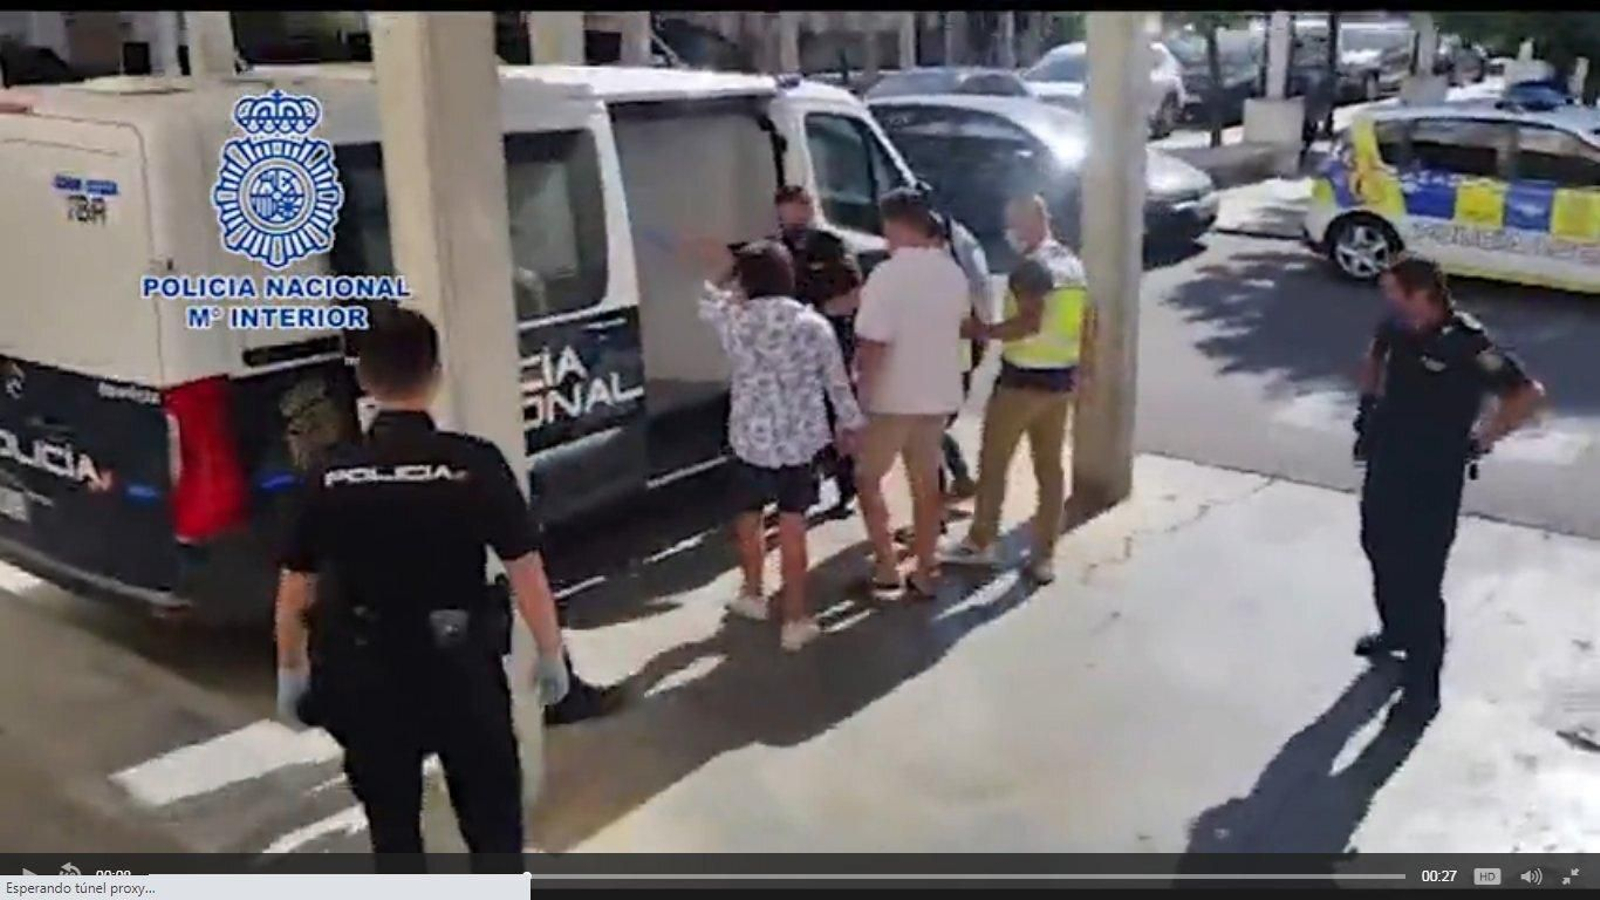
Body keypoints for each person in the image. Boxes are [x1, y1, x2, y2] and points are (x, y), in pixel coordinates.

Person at [273, 308, 570, 862]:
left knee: (393, 835)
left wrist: (292, 669)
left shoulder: (328, 472)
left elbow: (296, 587)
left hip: (366, 674)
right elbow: (525, 568)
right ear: (436, 375)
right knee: (495, 830)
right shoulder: (474, 463)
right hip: (460, 670)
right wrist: (552, 652)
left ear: (363, 380)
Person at [1353, 255, 1545, 719]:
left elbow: (1527, 394)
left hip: (1434, 474)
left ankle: (1423, 685)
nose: (1388, 300)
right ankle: (1394, 630)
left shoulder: (1469, 344)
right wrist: (1367, 403)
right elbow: (1374, 357)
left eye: (1394, 292)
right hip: (1387, 458)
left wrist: (1481, 441)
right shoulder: (1397, 326)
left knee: (1420, 575)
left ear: (1422, 294)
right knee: (1377, 543)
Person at [693, 238, 865, 651]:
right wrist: (852, 425)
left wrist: (730, 282)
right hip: (800, 442)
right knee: (793, 528)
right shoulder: (812, 325)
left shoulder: (734, 320)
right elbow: (837, 384)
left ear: (746, 280)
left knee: (748, 519)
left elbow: (706, 299)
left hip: (749, 438)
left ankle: (752, 593)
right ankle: (795, 618)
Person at [940, 196, 1093, 584]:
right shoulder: (1072, 265)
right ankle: (1044, 557)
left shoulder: (1031, 269)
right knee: (1050, 470)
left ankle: (982, 542)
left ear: (1032, 221)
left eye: (1013, 224)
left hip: (1022, 383)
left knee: (994, 464)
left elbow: (1028, 323)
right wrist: (1084, 373)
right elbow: (1090, 323)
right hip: (1060, 383)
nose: (1008, 233)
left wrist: (981, 331)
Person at [853, 189, 973, 598]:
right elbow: (959, 325)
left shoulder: (887, 275)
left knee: (867, 479)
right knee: (927, 485)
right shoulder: (952, 272)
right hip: (937, 394)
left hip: (892, 398)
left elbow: (873, 343)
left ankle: (886, 565)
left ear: (895, 225)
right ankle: (925, 568)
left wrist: (860, 399)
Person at [773, 185, 865, 517]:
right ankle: (807, 489)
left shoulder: (830, 245)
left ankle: (847, 488)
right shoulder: (779, 248)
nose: (791, 218)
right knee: (801, 419)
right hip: (793, 347)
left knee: (837, 415)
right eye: (784, 211)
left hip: (831, 340)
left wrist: (821, 314)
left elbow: (855, 294)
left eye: (797, 209)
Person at [936, 207, 994, 503]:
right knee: (932, 426)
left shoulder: (949, 263)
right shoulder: (963, 247)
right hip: (956, 357)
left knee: (927, 427)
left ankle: (935, 514)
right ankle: (959, 479)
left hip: (949, 359)